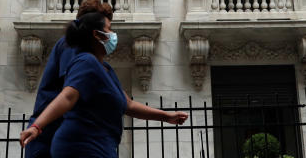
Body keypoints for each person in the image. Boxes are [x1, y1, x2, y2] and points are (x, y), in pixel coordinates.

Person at [20, 10, 188, 158]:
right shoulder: (85, 61)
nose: (113, 34)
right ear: (97, 35)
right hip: (81, 145)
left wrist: (167, 117)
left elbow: (128, 104)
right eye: (109, 29)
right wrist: (37, 126)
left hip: (102, 146)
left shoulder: (106, 69)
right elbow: (68, 96)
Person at [24, 0, 115, 158]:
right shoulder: (72, 46)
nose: (112, 34)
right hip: (49, 142)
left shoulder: (97, 61)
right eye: (107, 28)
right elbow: (71, 93)